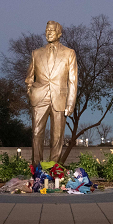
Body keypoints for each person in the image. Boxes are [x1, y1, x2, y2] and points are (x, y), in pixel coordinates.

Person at [25, 21, 78, 164]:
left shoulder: (69, 53)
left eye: (52, 31)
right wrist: (31, 92)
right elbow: (29, 78)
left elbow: (73, 81)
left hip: (59, 99)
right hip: (39, 98)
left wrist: (70, 104)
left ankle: (53, 171)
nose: (48, 33)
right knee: (36, 134)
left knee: (57, 137)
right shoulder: (36, 53)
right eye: (47, 30)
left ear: (59, 33)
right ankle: (37, 171)